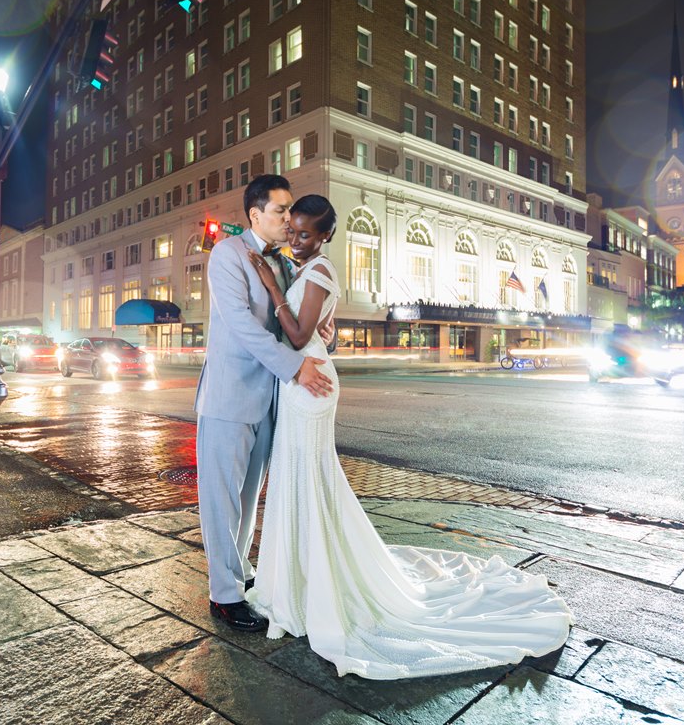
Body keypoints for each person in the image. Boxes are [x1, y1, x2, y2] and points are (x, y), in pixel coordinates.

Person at [245, 194, 574, 680]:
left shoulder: (315, 272)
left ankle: (309, 582)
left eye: (306, 234)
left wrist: (273, 289)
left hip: (308, 386)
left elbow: (296, 337)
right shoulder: (310, 271)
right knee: (302, 479)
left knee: (307, 478)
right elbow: (314, 332)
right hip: (302, 382)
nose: (296, 240)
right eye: (291, 231)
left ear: (326, 236)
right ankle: (299, 576)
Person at [194, 174, 334, 633]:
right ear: (255, 215)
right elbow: (241, 325)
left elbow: (294, 323)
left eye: (292, 210)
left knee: (249, 496)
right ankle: (224, 595)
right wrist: (295, 368)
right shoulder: (227, 255)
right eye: (281, 211)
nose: (290, 218)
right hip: (229, 396)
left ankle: (241, 574)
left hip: (272, 401)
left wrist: (320, 336)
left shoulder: (290, 262)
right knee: (221, 498)